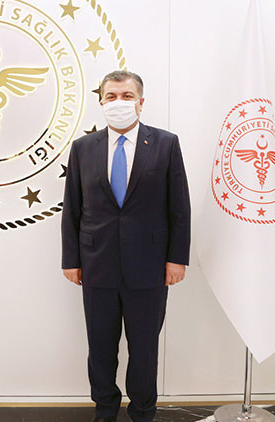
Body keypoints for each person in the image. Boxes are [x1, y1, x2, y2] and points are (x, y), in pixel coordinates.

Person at [61, 70, 191, 422]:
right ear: (101, 101)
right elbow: (72, 208)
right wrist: (71, 259)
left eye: (127, 96)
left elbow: (179, 208)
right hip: (96, 265)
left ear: (141, 102)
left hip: (149, 267)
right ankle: (105, 409)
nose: (119, 102)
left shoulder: (165, 144)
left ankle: (143, 411)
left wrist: (177, 259)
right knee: (100, 348)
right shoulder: (83, 148)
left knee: (144, 350)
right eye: (111, 96)